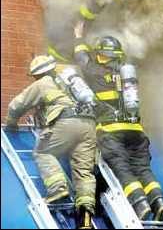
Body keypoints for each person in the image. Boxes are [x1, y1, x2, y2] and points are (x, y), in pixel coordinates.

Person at [73, 29, 163, 222]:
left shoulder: (95, 71)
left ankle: (140, 203)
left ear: (101, 54)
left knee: (122, 168)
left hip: (111, 130)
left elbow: (81, 57)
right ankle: (159, 203)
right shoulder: (126, 76)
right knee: (143, 169)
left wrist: (78, 37)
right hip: (135, 130)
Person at [6, 55, 96, 229]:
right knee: (84, 173)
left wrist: (11, 125)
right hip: (88, 125)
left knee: (42, 152)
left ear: (37, 74)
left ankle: (57, 189)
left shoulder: (42, 83)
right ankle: (85, 220)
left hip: (66, 123)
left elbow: (15, 106)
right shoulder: (69, 81)